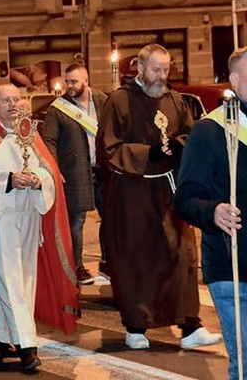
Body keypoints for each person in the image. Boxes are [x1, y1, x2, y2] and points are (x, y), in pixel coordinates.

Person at [97, 43, 222, 350]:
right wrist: (147, 153)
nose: (162, 76)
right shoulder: (119, 101)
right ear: (139, 69)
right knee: (138, 258)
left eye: (166, 69)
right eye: (156, 69)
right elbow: (108, 148)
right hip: (133, 193)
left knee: (180, 256)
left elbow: (190, 133)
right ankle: (136, 326)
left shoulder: (175, 100)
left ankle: (190, 325)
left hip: (168, 189)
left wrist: (181, 144)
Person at [0, 83, 79, 374]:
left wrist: (37, 179)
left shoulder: (30, 134)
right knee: (11, 281)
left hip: (29, 219)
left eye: (17, 99)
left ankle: (2, 333)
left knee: (23, 283)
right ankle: (27, 347)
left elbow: (50, 172)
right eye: (6, 101)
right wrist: (10, 180)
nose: (13, 105)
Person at [175, 46, 247, 379]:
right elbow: (186, 198)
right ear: (235, 79)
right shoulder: (210, 131)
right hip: (234, 270)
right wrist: (213, 211)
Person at [42, 63, 108, 285]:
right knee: (76, 220)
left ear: (86, 81)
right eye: (67, 81)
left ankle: (108, 262)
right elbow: (48, 141)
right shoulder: (57, 108)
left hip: (103, 170)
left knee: (109, 217)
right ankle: (76, 266)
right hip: (75, 171)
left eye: (74, 82)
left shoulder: (103, 101)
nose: (69, 86)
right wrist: (55, 168)